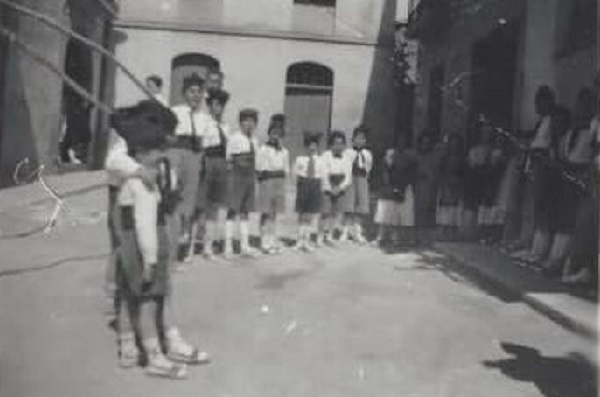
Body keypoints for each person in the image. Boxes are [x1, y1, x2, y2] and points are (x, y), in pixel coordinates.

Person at [113, 100, 208, 379]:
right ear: (142, 151)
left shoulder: (151, 170)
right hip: (143, 239)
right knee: (145, 296)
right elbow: (143, 225)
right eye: (158, 147)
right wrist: (151, 261)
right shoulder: (138, 173)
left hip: (153, 232)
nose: (164, 150)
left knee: (153, 295)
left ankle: (160, 345)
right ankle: (148, 351)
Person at [546, 88, 596, 279]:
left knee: (578, 221)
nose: (581, 109)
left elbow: (591, 158)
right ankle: (556, 258)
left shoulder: (591, 132)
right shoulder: (571, 133)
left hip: (583, 177)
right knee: (563, 218)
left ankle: (571, 264)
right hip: (568, 175)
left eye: (585, 105)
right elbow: (564, 155)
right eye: (579, 105)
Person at [170, 73, 211, 264]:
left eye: (199, 92)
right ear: (184, 93)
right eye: (192, 91)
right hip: (178, 154)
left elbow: (207, 141)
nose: (196, 96)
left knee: (189, 200)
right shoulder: (175, 112)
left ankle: (184, 247)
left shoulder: (204, 117)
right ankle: (171, 246)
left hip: (196, 156)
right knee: (173, 198)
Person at [191, 88, 231, 260]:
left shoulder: (226, 126)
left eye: (221, 105)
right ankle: (190, 249)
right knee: (199, 206)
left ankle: (208, 247)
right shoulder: (203, 123)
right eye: (215, 104)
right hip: (206, 162)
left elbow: (228, 150)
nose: (218, 108)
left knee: (214, 207)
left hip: (221, 166)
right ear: (209, 105)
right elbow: (199, 146)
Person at [224, 109, 261, 258]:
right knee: (232, 210)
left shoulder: (255, 140)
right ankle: (228, 247)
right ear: (240, 123)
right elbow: (229, 160)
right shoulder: (234, 138)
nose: (249, 124)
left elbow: (256, 160)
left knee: (245, 211)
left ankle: (244, 245)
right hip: (236, 176)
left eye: (252, 121)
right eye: (246, 121)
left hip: (249, 177)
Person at [464, 123, 506, 243]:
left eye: (489, 133)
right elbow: (472, 166)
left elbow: (496, 166)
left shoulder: (496, 150)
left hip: (492, 182)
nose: (486, 135)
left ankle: (491, 234)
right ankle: (478, 234)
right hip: (478, 182)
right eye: (484, 133)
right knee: (481, 208)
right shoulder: (475, 150)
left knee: (492, 208)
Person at [257, 119, 290, 254]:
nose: (276, 136)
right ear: (269, 133)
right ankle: (264, 241)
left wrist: (281, 175)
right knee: (266, 211)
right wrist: (269, 174)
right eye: (273, 133)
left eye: (279, 133)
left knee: (274, 213)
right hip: (267, 181)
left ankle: (272, 239)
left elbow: (286, 169)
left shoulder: (284, 151)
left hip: (279, 182)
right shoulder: (263, 149)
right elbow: (260, 168)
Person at [372, 147, 416, 246]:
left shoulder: (398, 169)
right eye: (389, 156)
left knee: (394, 218)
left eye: (394, 157)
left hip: (394, 195)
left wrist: (397, 191)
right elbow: (381, 181)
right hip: (384, 194)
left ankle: (395, 237)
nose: (391, 159)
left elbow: (399, 183)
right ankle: (380, 236)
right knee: (382, 216)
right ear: (385, 157)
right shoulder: (382, 167)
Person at [293, 131, 325, 252]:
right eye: (309, 145)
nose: (311, 147)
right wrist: (300, 186)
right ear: (305, 146)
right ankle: (299, 241)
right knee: (302, 215)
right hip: (303, 185)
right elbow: (295, 174)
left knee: (310, 216)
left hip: (315, 186)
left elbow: (322, 175)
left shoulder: (321, 160)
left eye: (314, 145)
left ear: (317, 146)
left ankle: (306, 241)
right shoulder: (300, 159)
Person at [320, 130, 353, 244]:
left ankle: (330, 234)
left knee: (336, 212)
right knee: (325, 211)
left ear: (344, 145)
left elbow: (348, 177)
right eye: (335, 143)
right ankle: (320, 235)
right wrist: (329, 188)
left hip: (340, 186)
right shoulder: (326, 155)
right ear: (330, 144)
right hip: (328, 184)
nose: (338, 146)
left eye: (341, 144)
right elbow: (323, 173)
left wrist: (340, 188)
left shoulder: (346, 158)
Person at [344, 126, 373, 243]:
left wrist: (365, 177)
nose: (359, 141)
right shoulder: (348, 152)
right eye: (357, 138)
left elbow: (369, 168)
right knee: (349, 206)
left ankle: (357, 232)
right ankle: (345, 231)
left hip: (362, 179)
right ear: (352, 140)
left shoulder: (367, 154)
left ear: (365, 141)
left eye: (362, 139)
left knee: (360, 207)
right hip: (350, 179)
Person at [414, 132, 443, 244]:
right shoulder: (416, 157)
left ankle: (427, 237)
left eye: (428, 143)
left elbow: (436, 173)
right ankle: (417, 236)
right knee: (418, 210)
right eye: (423, 143)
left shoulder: (434, 158)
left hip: (431, 187)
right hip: (419, 186)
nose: (425, 146)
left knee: (429, 210)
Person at [436, 133, 466, 240]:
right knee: (445, 209)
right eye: (452, 144)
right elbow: (440, 171)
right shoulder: (444, 158)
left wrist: (458, 182)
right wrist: (445, 184)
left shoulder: (462, 158)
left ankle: (454, 233)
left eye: (457, 144)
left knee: (455, 209)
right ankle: (444, 232)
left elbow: (463, 173)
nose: (454, 146)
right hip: (446, 184)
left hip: (457, 185)